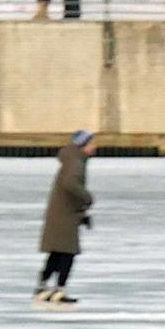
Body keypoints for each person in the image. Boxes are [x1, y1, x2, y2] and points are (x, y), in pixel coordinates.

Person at [35, 129, 96, 308]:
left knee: (57, 252)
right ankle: (59, 289)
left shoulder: (72, 159)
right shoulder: (76, 162)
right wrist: (88, 198)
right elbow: (71, 184)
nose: (95, 147)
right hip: (65, 216)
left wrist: (83, 213)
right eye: (92, 143)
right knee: (67, 253)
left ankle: (42, 286)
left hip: (62, 214)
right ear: (83, 145)